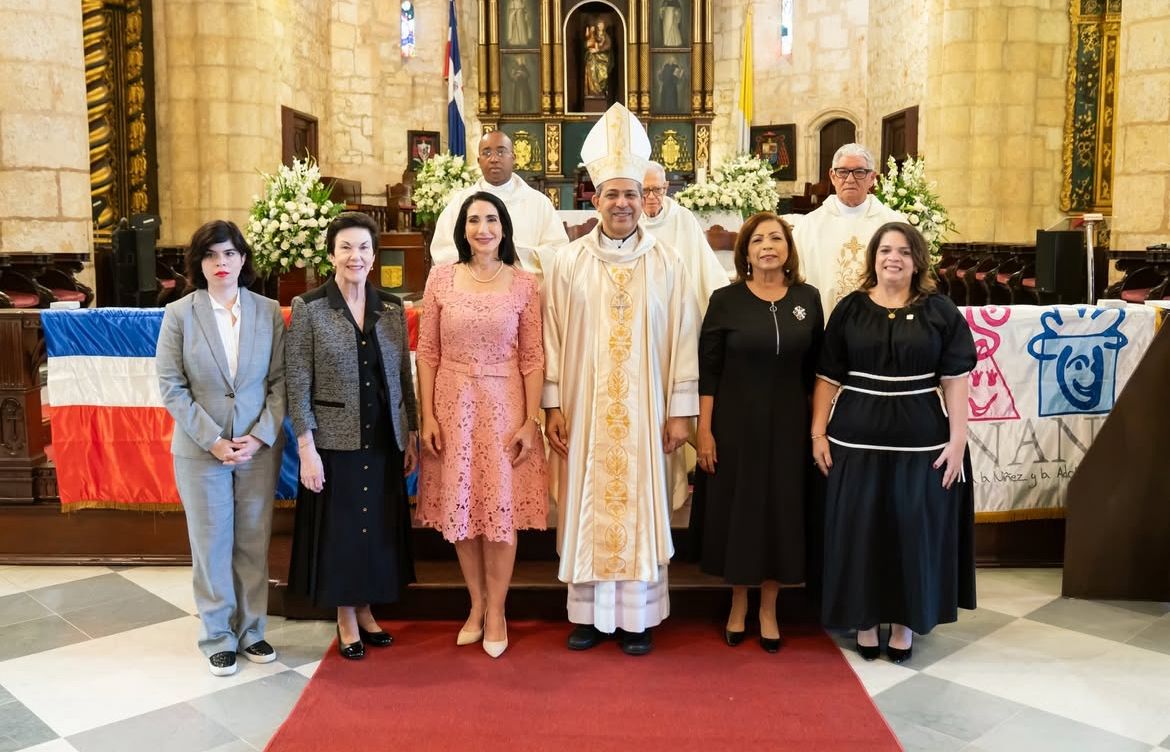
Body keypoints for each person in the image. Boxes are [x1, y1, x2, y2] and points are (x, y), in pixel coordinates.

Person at [543, 103, 700, 656]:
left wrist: (680, 411)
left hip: (647, 412)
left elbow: (684, 336)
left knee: (639, 501)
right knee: (587, 499)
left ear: (645, 200)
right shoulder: (568, 262)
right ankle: (589, 616)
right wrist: (552, 404)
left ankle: (637, 619)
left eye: (631, 194)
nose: (622, 204)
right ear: (594, 198)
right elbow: (552, 335)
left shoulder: (668, 263)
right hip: (585, 410)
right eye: (612, 194)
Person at [810, 221, 977, 664]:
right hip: (854, 442)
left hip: (920, 444)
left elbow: (955, 380)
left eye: (903, 251)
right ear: (874, 258)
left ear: (917, 260)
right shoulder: (850, 309)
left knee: (911, 531)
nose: (894, 258)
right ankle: (864, 620)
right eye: (885, 250)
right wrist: (818, 432)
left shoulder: (940, 311)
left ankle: (905, 622)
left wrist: (957, 440)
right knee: (860, 531)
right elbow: (827, 376)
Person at [414, 192, 548, 659]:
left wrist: (530, 421)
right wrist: (427, 415)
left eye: (491, 219)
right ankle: (476, 603)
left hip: (504, 407)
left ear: (504, 227)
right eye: (474, 220)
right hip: (452, 405)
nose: (483, 228)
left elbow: (533, 358)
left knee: (499, 511)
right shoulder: (441, 278)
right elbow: (427, 352)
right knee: (464, 508)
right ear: (463, 229)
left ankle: (497, 611)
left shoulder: (524, 284)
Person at [286, 211, 419, 661]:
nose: (354, 256)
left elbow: (402, 377)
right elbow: (297, 381)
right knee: (343, 529)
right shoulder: (310, 308)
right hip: (333, 440)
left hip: (383, 436)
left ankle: (365, 608)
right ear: (331, 255)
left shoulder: (392, 308)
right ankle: (345, 615)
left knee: (374, 527)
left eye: (363, 248)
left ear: (374, 256)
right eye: (345, 247)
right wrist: (306, 447)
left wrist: (411, 432)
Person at [156, 220, 286, 676]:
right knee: (211, 544)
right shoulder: (179, 314)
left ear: (243, 259)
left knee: (252, 541)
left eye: (229, 253)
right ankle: (217, 635)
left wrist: (260, 435)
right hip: (201, 451)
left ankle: (251, 629)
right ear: (199, 263)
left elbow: (280, 381)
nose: (221, 263)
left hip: (256, 449)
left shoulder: (267, 311)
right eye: (211, 255)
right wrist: (212, 440)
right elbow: (171, 386)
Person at [690, 212, 822, 653]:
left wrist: (816, 430)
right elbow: (708, 371)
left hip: (789, 426)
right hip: (735, 425)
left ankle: (769, 608)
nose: (768, 246)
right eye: (759, 240)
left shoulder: (808, 298)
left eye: (776, 239)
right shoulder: (725, 300)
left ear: (788, 249)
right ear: (745, 252)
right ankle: (738, 601)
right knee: (741, 512)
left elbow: (817, 372)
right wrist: (704, 431)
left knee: (780, 513)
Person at [429, 131, 569, 281]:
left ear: (513, 158)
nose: (494, 159)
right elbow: (442, 251)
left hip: (526, 289)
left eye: (501, 152)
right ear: (479, 161)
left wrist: (518, 254)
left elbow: (559, 252)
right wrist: (480, 256)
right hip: (474, 287)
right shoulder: (460, 202)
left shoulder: (539, 203)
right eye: (487, 153)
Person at [783, 143, 904, 315]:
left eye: (859, 172)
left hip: (881, 322)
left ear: (872, 178)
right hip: (825, 321)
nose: (850, 179)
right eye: (843, 172)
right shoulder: (808, 226)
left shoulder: (895, 224)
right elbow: (794, 279)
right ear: (832, 176)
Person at [640, 161, 729, 316]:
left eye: (657, 189)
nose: (651, 196)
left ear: (666, 187)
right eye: (645, 190)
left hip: (679, 301)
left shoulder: (683, 217)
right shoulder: (630, 220)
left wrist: (727, 301)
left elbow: (705, 261)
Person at [585, 20, 613, 98]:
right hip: (593, 58)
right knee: (592, 70)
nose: (600, 26)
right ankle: (593, 91)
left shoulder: (606, 36)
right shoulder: (594, 34)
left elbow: (608, 46)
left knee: (603, 75)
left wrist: (599, 50)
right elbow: (588, 43)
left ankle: (601, 90)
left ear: (604, 26)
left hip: (603, 58)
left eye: (602, 25)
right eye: (599, 25)